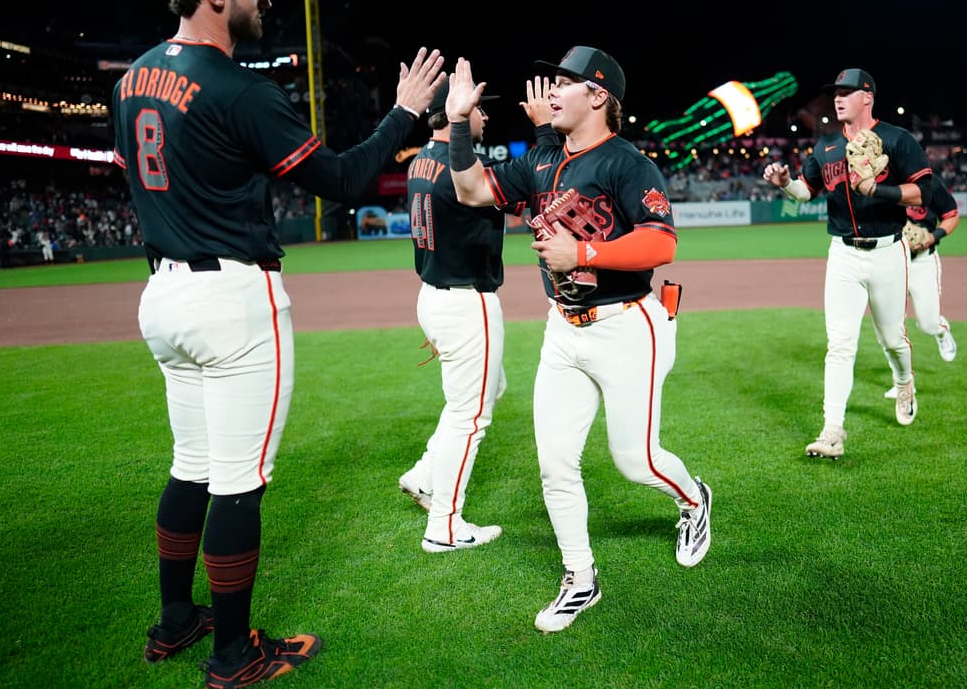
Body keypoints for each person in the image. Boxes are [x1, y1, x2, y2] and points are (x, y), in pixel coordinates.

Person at [111, 0, 444, 689]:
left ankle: (174, 619)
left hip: (161, 293)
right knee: (237, 481)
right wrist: (403, 112)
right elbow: (344, 180)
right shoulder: (239, 88)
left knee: (190, 466)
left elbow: (137, 173)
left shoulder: (130, 80)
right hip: (231, 296)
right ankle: (234, 655)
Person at [444, 48, 712, 633]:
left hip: (628, 325)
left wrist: (585, 251)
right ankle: (580, 578)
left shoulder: (627, 163)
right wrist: (459, 122)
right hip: (562, 328)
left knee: (636, 460)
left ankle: (694, 499)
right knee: (555, 463)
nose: (550, 91)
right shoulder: (542, 160)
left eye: (564, 83)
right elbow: (470, 190)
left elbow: (662, 243)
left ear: (598, 96)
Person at [397, 75, 560, 552]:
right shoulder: (462, 168)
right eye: (478, 107)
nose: (485, 114)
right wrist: (545, 132)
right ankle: (445, 526)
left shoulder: (422, 159)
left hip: (434, 295)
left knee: (488, 390)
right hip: (466, 302)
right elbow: (542, 179)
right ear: (456, 113)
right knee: (470, 416)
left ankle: (425, 474)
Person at [762, 68, 934, 459]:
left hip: (888, 251)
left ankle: (904, 381)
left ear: (867, 97)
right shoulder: (826, 146)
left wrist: (878, 190)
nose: (837, 98)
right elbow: (805, 192)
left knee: (893, 339)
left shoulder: (897, 139)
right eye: (835, 93)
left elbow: (923, 192)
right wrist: (785, 182)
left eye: (846, 92)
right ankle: (832, 431)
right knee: (839, 345)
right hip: (842, 253)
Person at [881, 178, 960, 400]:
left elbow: (952, 216)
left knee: (928, 324)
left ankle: (940, 329)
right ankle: (903, 383)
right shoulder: (883, 182)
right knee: (889, 328)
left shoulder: (930, 184)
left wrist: (933, 237)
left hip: (922, 261)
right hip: (891, 261)